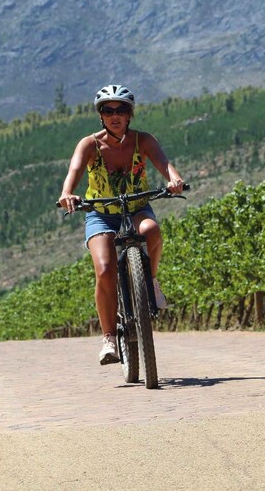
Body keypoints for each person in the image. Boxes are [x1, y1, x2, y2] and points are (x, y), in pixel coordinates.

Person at [58, 85, 184, 365]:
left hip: (137, 207)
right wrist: (67, 193)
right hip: (101, 213)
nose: (115, 115)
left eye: (121, 110)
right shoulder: (89, 144)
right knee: (105, 269)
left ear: (130, 115)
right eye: (108, 110)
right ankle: (109, 338)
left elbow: (164, 164)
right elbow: (74, 171)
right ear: (101, 115)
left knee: (151, 230)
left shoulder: (143, 140)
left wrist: (174, 180)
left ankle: (150, 281)